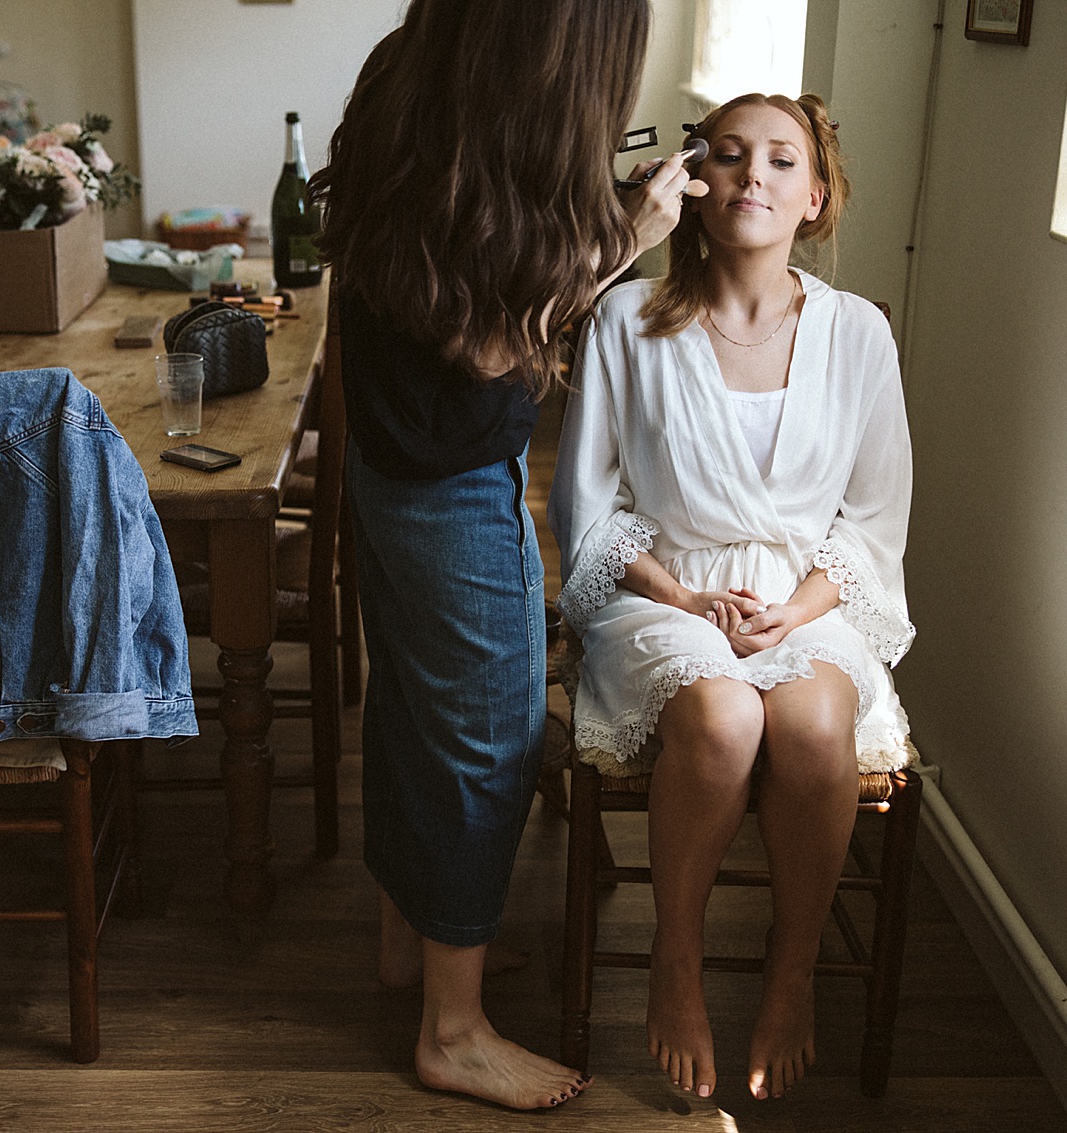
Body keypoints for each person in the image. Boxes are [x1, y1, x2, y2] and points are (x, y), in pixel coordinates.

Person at [309, 0, 704, 1111]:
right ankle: (453, 1024)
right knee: (486, 730)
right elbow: (486, 342)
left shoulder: (411, 70)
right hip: (443, 475)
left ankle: (414, 940)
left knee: (412, 709)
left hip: (388, 458)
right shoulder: (493, 129)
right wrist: (626, 235)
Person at [549, 92, 917, 1102]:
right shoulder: (626, 317)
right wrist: (680, 594)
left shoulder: (856, 336)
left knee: (804, 725)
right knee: (717, 719)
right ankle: (676, 959)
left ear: (816, 196)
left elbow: (872, 520)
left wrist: (794, 612)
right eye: (729, 154)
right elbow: (586, 505)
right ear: (697, 186)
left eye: (781, 159)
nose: (753, 172)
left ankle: (788, 973)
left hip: (804, 598)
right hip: (659, 594)